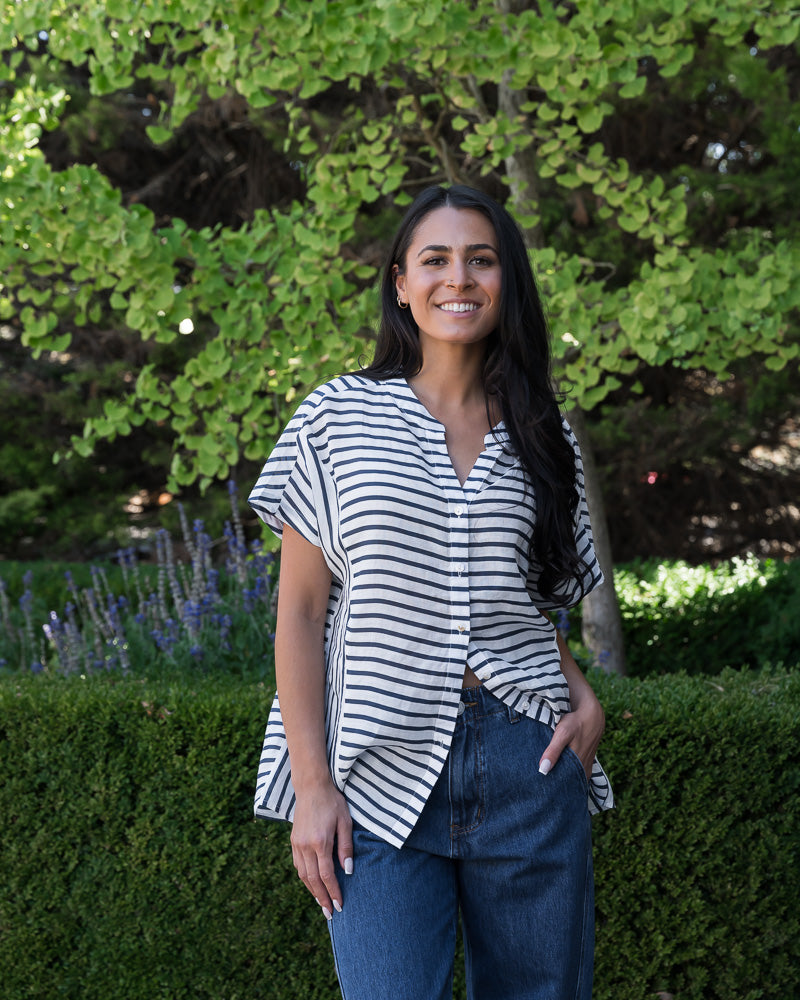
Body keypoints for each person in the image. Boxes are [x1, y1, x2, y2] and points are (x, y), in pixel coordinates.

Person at [249, 184, 613, 1000]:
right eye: (437, 259)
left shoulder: (543, 429)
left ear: (506, 282)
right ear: (401, 284)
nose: (460, 278)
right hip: (374, 767)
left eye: (482, 260)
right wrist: (313, 789)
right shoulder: (334, 417)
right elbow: (303, 615)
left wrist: (581, 693)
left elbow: (526, 598)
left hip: (527, 754)